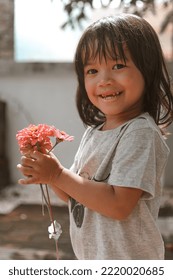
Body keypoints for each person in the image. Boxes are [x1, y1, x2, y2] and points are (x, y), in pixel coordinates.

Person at [17, 13, 173, 260]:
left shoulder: (139, 132)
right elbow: (73, 194)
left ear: (148, 69)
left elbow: (119, 205)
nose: (104, 80)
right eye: (92, 70)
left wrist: (58, 174)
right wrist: (48, 169)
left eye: (118, 66)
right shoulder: (95, 132)